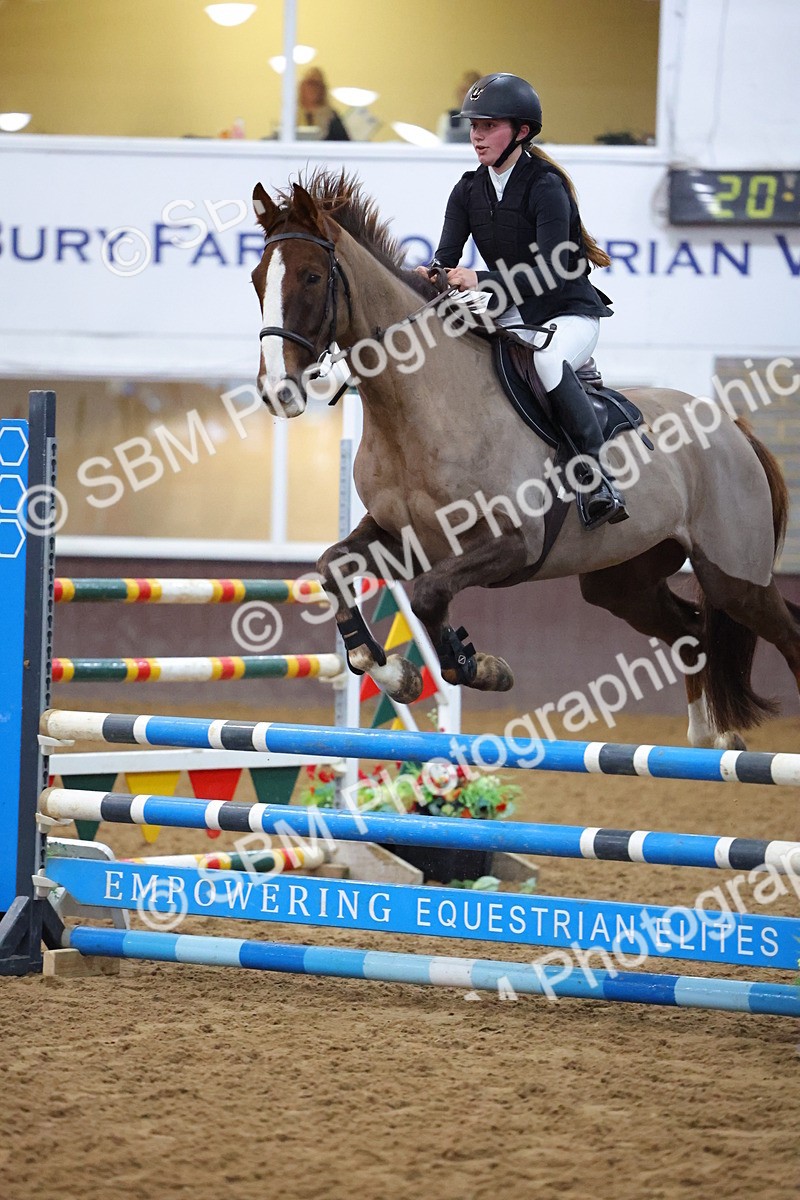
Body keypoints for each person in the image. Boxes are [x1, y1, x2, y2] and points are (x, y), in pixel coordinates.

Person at [424, 72, 626, 530]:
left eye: (488, 126)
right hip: (514, 310)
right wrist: (429, 276)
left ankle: (597, 478)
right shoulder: (467, 190)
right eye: (474, 125)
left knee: (548, 364)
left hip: (567, 313)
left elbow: (554, 269)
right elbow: (445, 259)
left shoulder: (545, 186)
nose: (476, 135)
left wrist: (482, 278)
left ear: (521, 131)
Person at [297, 68, 350, 142]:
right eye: (310, 84)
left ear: (322, 89)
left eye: (317, 85)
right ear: (302, 87)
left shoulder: (331, 117)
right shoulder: (292, 116)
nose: (313, 89)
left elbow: (344, 144)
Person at [436, 69, 482, 143]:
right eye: (463, 91)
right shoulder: (448, 117)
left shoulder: (489, 118)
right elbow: (442, 144)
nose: (465, 96)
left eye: (470, 91)